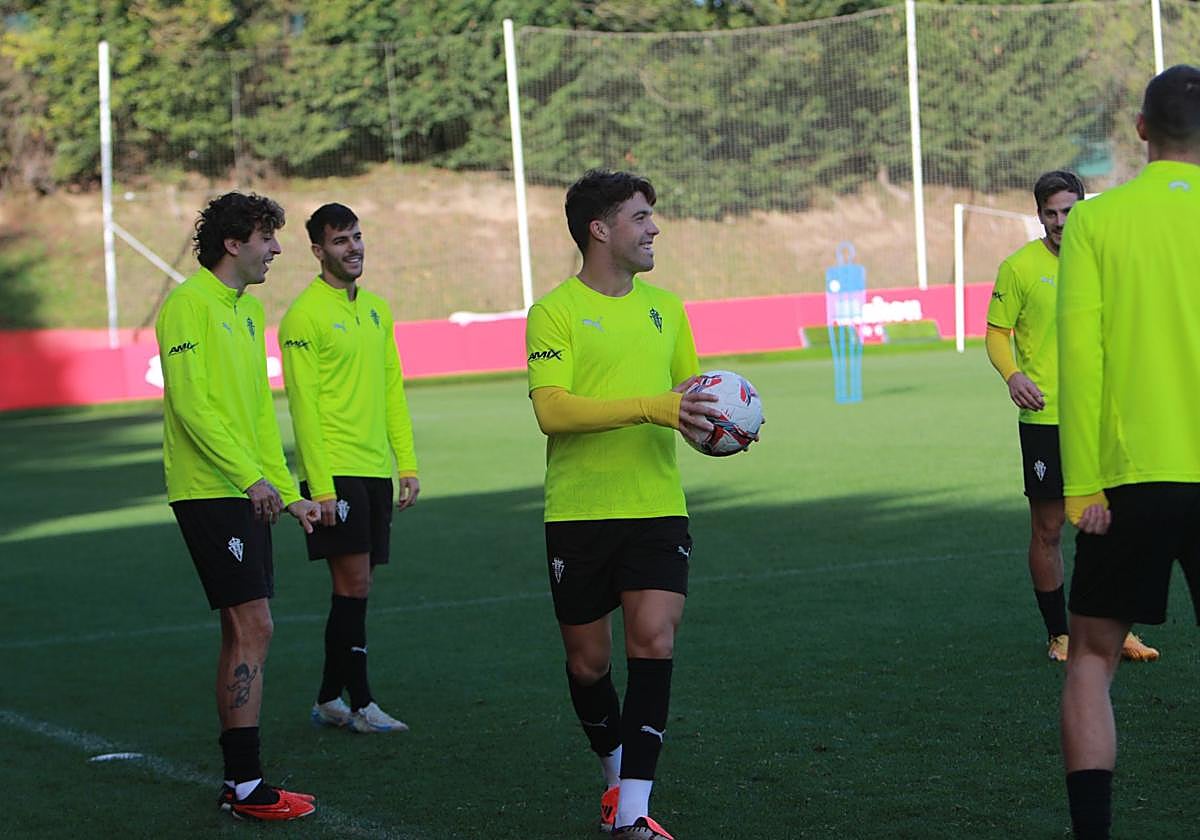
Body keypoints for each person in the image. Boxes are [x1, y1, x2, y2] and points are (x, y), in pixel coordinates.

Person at [525, 170, 722, 840]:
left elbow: (688, 400)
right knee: (589, 664)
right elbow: (553, 412)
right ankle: (614, 772)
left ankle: (634, 810)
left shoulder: (668, 308)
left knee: (654, 638)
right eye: (640, 217)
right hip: (578, 512)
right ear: (599, 229)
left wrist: (719, 427)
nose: (653, 228)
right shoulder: (553, 312)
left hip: (656, 506)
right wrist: (652, 406)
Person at [1058, 64, 1200, 839]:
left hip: (1128, 481)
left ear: (1141, 130)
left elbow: (1081, 363)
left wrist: (1083, 489)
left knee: (1090, 659)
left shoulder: (1095, 222)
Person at [155, 191, 321, 821]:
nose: (276, 249)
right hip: (208, 490)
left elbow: (256, 415)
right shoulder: (187, 306)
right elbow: (192, 406)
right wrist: (251, 479)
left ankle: (239, 782)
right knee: (256, 625)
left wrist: (289, 492)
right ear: (233, 243)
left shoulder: (248, 312)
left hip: (246, 490)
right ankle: (247, 786)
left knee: (242, 628)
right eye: (266, 238)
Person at [986, 171, 1158, 664]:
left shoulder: (1108, 260)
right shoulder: (1019, 267)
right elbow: (997, 333)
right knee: (1049, 527)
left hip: (1105, 416)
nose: (1061, 221)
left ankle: (1117, 630)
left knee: (1112, 525)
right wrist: (1013, 375)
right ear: (1039, 215)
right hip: (1047, 419)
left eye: (1069, 210)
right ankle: (1059, 634)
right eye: (1051, 213)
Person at [279, 202, 418, 734]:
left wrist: (406, 463)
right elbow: (304, 407)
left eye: (357, 236)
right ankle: (361, 704)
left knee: (355, 588)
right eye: (340, 240)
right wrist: (321, 488)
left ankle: (326, 700)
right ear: (318, 251)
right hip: (334, 471)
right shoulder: (303, 316)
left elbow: (391, 391)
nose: (353, 247)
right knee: (354, 584)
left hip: (374, 470)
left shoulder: (378, 309)